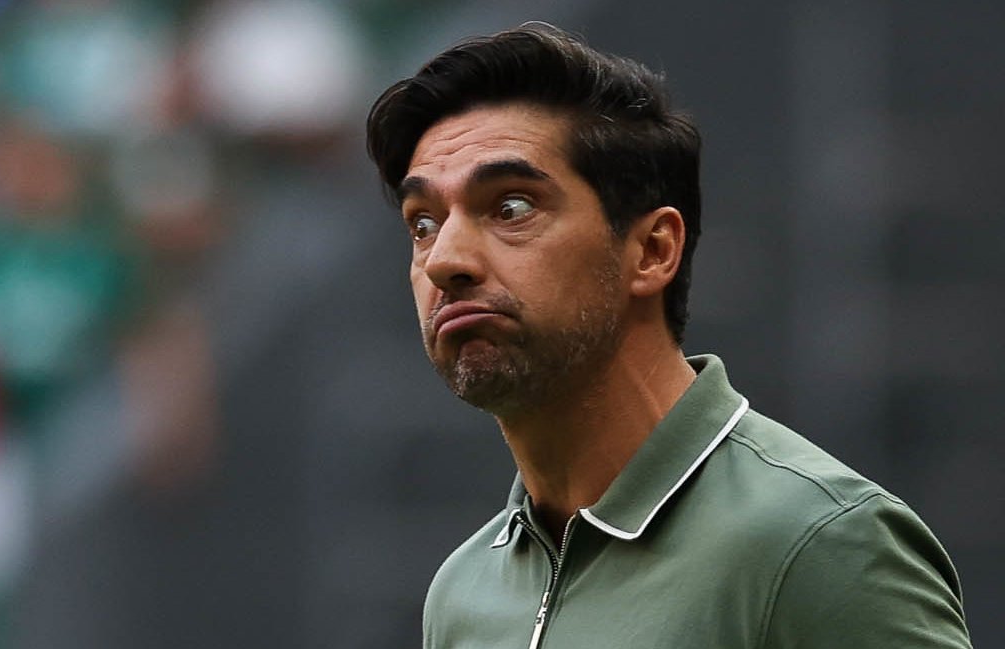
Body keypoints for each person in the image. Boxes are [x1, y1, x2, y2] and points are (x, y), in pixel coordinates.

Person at [366, 24, 972, 649]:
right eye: (423, 224)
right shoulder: (462, 593)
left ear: (653, 250)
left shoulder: (820, 543)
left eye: (511, 207)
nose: (444, 259)